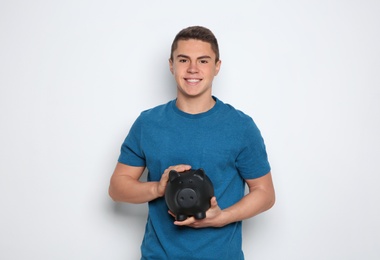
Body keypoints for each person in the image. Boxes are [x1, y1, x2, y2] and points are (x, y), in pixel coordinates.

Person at [109, 25, 275, 260]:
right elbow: (117, 187)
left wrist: (222, 217)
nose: (193, 69)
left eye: (204, 61)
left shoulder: (241, 126)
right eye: (184, 60)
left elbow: (265, 193)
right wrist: (158, 188)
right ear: (171, 65)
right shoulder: (148, 123)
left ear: (217, 66)